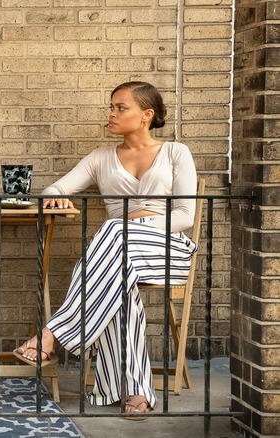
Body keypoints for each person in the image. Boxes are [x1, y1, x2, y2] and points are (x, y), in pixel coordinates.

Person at [12, 81, 198, 418]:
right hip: (118, 254)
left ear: (146, 115)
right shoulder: (101, 158)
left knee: (113, 230)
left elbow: (185, 216)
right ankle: (137, 392)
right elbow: (55, 187)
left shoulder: (175, 152)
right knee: (118, 281)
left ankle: (51, 334)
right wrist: (56, 194)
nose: (111, 114)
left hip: (166, 249)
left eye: (120, 108)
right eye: (111, 107)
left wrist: (132, 225)